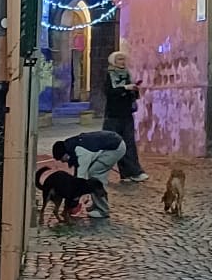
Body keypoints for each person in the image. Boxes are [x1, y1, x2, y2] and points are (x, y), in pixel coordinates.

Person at [52, 128, 126, 219]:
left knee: (95, 175)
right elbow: (78, 173)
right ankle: (96, 205)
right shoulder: (72, 146)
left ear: (65, 155)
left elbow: (80, 179)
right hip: (113, 142)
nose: (62, 162)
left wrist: (78, 198)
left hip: (115, 148)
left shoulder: (81, 153)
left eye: (61, 159)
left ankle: (102, 210)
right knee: (92, 175)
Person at [103, 48, 146, 182]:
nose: (122, 62)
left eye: (123, 59)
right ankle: (99, 171)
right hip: (113, 115)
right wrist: (124, 88)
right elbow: (109, 92)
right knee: (113, 145)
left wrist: (134, 89)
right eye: (119, 59)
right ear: (113, 61)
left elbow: (133, 95)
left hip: (126, 114)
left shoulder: (127, 74)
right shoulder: (109, 75)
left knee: (128, 143)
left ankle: (132, 172)